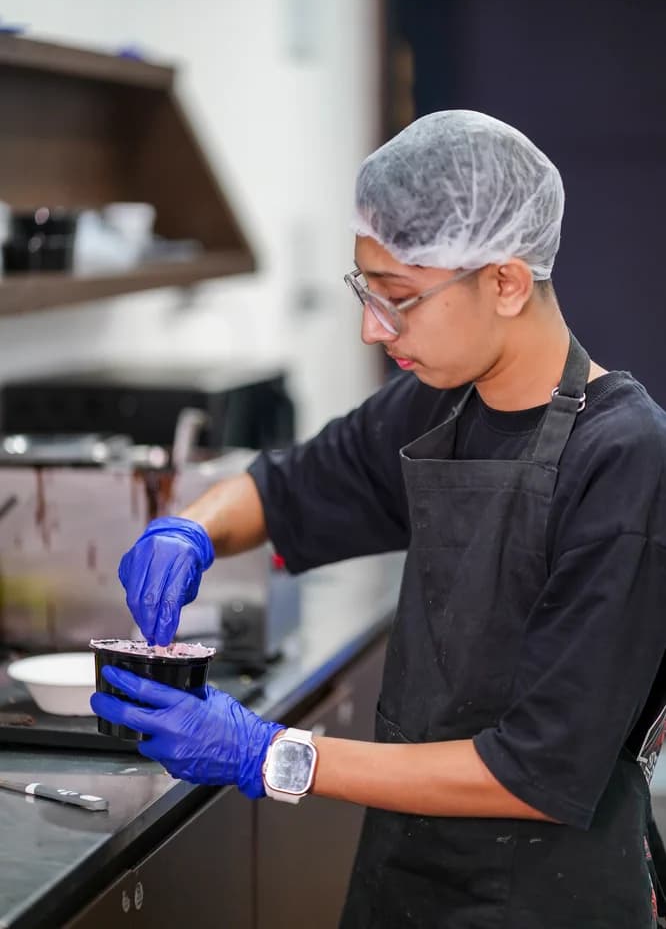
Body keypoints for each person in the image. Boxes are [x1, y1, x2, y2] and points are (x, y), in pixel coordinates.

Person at [91, 110, 666, 928]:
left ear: (504, 282)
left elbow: (540, 770)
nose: (373, 327)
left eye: (399, 298)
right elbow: (286, 488)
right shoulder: (435, 407)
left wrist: (275, 755)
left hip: (549, 899)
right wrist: (191, 530)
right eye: (366, 289)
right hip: (405, 882)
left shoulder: (625, 456)